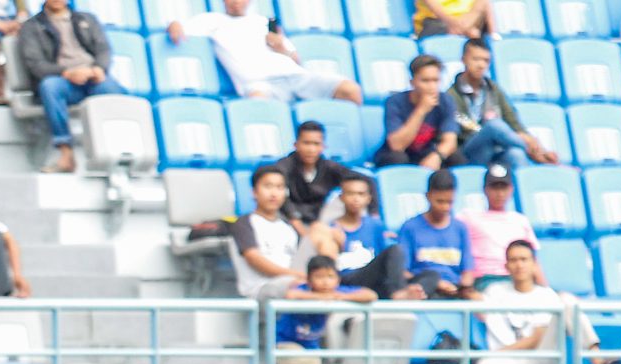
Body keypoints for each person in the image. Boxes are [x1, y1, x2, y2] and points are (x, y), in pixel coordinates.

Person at [166, 0, 361, 106]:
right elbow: (179, 27)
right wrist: (174, 24)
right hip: (259, 84)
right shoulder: (212, 20)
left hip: (295, 76)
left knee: (350, 90)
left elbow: (295, 59)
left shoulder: (261, 21)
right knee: (258, 108)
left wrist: (281, 48)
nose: (235, 2)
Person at [476, 241, 610, 364]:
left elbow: (535, 339)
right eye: (513, 260)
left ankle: (596, 357)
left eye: (524, 260)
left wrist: (495, 353)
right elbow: (476, 304)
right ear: (506, 266)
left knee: (567, 301)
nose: (519, 265)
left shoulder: (545, 295)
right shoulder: (494, 291)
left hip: (539, 356)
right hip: (505, 359)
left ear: (534, 264)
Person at [21, 0, 121, 174]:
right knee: (49, 87)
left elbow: (104, 49)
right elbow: (35, 64)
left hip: (92, 77)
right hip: (63, 80)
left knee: (115, 93)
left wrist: (98, 68)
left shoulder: (88, 19)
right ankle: (65, 152)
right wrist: (67, 72)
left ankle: (117, 152)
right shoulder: (31, 26)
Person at [448, 38, 558, 170]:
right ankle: (539, 154)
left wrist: (523, 135)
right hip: (469, 153)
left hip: (497, 150)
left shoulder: (493, 90)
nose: (481, 65)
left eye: (486, 61)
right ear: (463, 59)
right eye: (476, 59)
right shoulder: (451, 95)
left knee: (516, 154)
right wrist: (496, 132)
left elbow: (513, 122)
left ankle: (524, 182)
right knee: (494, 125)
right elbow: (466, 126)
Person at [323, 173, 416, 298]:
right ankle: (397, 294)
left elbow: (383, 257)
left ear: (368, 198)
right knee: (395, 250)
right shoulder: (330, 228)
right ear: (341, 197)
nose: (356, 199)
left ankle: (401, 292)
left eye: (361, 194)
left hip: (373, 277)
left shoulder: (376, 225)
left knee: (431, 275)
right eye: (351, 193)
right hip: (347, 279)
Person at [397, 169, 477, 299]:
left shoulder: (460, 228)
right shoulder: (410, 228)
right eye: (440, 201)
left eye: (449, 202)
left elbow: (467, 271)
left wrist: (462, 288)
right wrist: (437, 283)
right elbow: (402, 272)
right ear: (428, 196)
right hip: (424, 289)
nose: (445, 207)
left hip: (454, 290)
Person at [231, 166, 305, 300]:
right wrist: (295, 275)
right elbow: (254, 259)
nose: (274, 193)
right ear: (254, 192)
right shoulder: (244, 223)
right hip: (259, 291)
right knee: (299, 285)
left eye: (279, 187)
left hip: (292, 283)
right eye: (268, 186)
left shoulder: (288, 228)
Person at [459, 165, 537, 287]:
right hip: (486, 279)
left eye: (504, 188)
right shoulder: (468, 217)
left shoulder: (520, 220)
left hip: (518, 279)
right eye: (494, 188)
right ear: (485, 190)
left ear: (511, 190)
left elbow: (533, 261)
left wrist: (547, 290)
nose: (500, 193)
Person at [278, 121, 364, 232]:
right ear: (296, 145)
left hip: (321, 219)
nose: (311, 149)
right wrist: (296, 222)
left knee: (353, 192)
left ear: (323, 146)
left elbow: (363, 180)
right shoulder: (283, 167)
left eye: (316, 144)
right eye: (306, 143)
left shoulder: (329, 167)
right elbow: (280, 197)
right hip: (289, 219)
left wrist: (374, 214)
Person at [375, 55, 458, 169]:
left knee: (456, 157)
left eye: (435, 80)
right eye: (425, 81)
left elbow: (450, 140)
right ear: (412, 82)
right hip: (396, 154)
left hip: (427, 151)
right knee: (398, 158)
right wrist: (421, 110)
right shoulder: (394, 102)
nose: (432, 86)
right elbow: (397, 145)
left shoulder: (445, 100)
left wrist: (437, 156)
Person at [414, 0, 490, 37]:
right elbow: (434, 7)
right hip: (435, 21)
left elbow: (482, 3)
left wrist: (468, 22)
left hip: (469, 22)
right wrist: (453, 24)